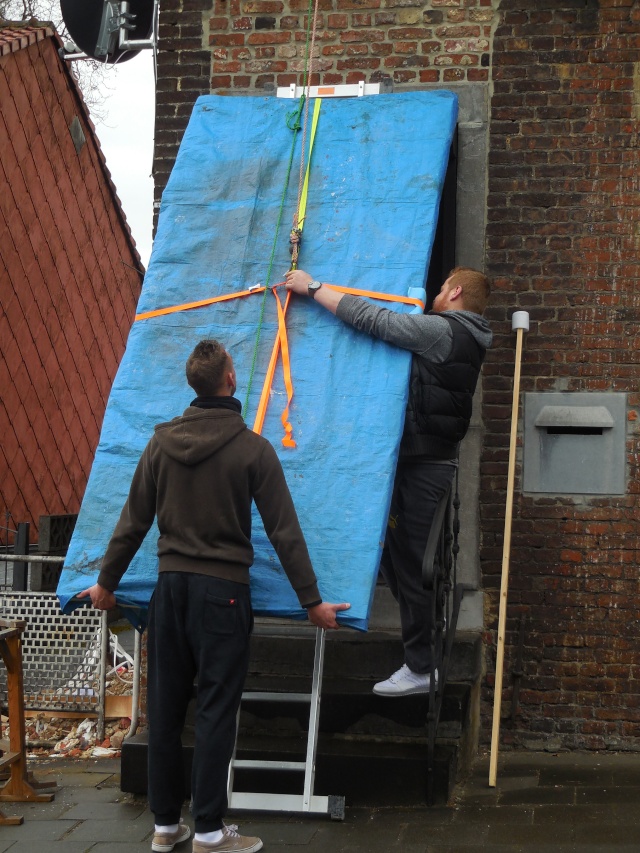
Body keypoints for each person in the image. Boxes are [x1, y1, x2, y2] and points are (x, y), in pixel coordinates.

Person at [79, 339, 350, 853]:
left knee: (163, 711)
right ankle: (207, 831)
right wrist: (312, 602)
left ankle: (164, 827)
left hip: (170, 592)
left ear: (193, 385)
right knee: (215, 712)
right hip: (223, 596)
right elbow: (284, 532)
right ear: (230, 381)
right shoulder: (252, 449)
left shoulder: (160, 443)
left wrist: (106, 583)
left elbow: (132, 521)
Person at [285, 267, 491, 697]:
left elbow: (374, 320)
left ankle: (421, 666)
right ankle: (423, 658)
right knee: (400, 564)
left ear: (454, 292)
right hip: (421, 463)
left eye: (440, 288)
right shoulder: (462, 337)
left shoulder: (444, 331)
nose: (435, 295)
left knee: (415, 566)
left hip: (424, 468)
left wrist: (314, 287)